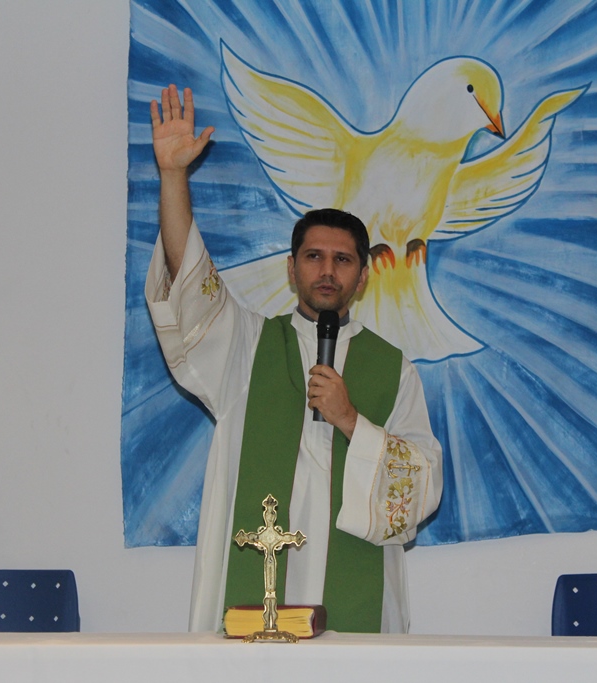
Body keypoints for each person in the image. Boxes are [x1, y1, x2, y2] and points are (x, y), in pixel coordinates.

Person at [145, 84, 442, 633]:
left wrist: (350, 420)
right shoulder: (247, 345)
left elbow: (423, 484)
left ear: (363, 276)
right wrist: (172, 176)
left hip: (354, 600)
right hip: (257, 585)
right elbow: (190, 286)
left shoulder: (392, 368)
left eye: (342, 260)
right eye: (313, 257)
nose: (327, 271)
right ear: (291, 268)